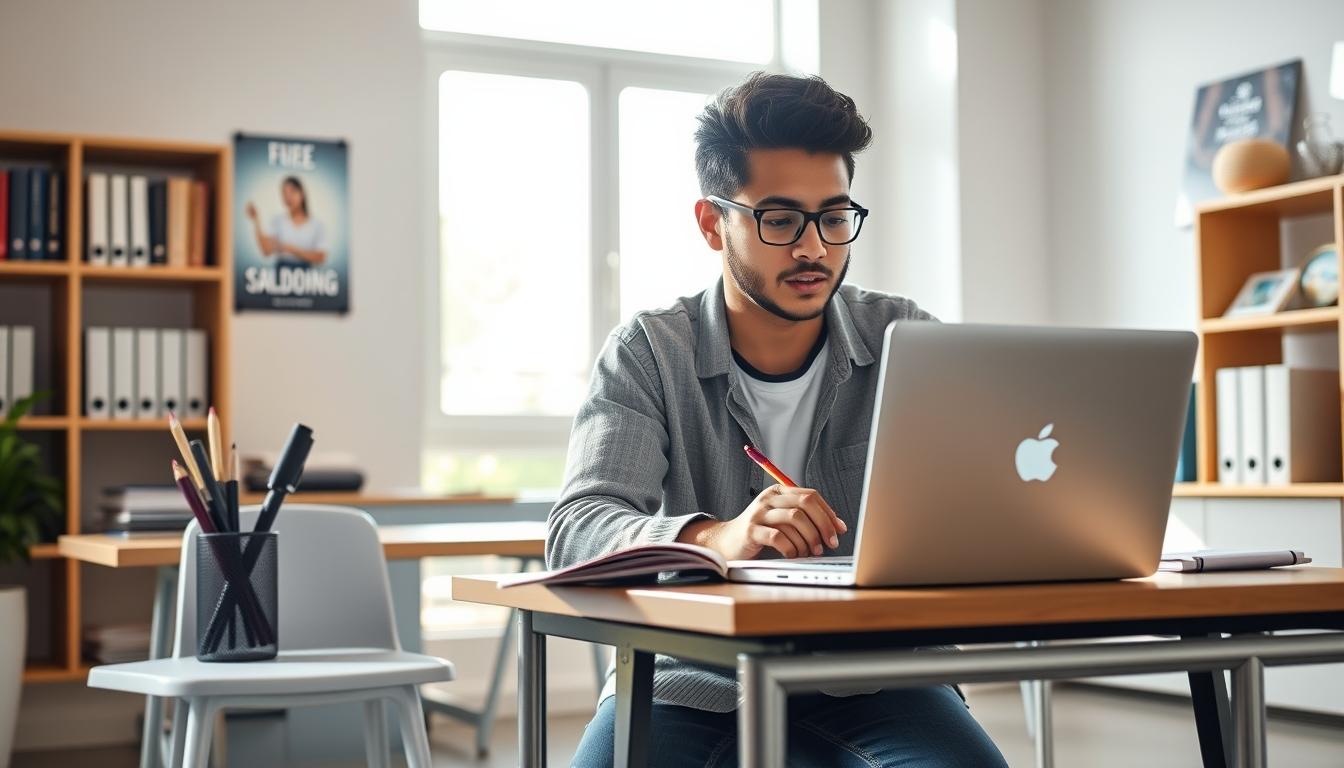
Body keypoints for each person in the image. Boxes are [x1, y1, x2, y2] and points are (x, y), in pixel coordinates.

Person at [549, 72, 1008, 767]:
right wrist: (714, 537)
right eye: (780, 219)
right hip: (692, 673)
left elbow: (989, 490)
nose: (814, 249)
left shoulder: (906, 339)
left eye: (832, 216)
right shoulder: (650, 351)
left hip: (878, 671)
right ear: (713, 223)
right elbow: (578, 529)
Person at [244, 175, 327, 267]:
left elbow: (321, 257)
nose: (288, 197)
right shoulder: (278, 221)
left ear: (302, 193)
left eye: (292, 192)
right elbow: (266, 251)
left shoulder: (316, 224)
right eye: (284, 193)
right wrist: (256, 221)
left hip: (306, 276)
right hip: (282, 273)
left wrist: (291, 250)